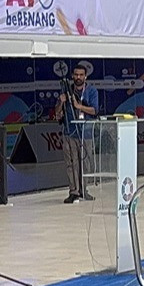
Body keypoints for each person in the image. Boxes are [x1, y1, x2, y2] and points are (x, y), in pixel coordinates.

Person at [55, 65, 99, 204]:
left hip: (85, 132)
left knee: (84, 163)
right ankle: (73, 191)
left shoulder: (91, 91)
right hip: (69, 132)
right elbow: (57, 113)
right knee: (71, 164)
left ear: (85, 77)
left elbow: (94, 110)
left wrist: (79, 106)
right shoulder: (66, 90)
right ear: (73, 76)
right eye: (76, 74)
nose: (78, 77)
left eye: (81, 75)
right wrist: (61, 103)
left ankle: (83, 190)